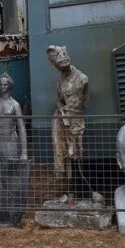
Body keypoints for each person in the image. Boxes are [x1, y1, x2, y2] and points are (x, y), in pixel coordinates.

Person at [47, 45, 89, 198]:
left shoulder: (82, 78)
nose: (60, 62)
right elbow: (60, 100)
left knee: (76, 154)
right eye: (56, 62)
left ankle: (79, 192)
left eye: (62, 57)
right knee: (63, 155)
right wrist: (62, 112)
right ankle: (67, 191)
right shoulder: (59, 80)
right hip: (62, 120)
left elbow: (84, 100)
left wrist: (72, 111)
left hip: (75, 121)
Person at [0, 73, 29, 228]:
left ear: (10, 86)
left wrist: (24, 151)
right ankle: (0, 213)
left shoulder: (15, 105)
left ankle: (14, 214)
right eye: (1, 84)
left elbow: (21, 127)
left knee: (11, 178)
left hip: (11, 143)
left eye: (5, 84)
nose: (2, 87)